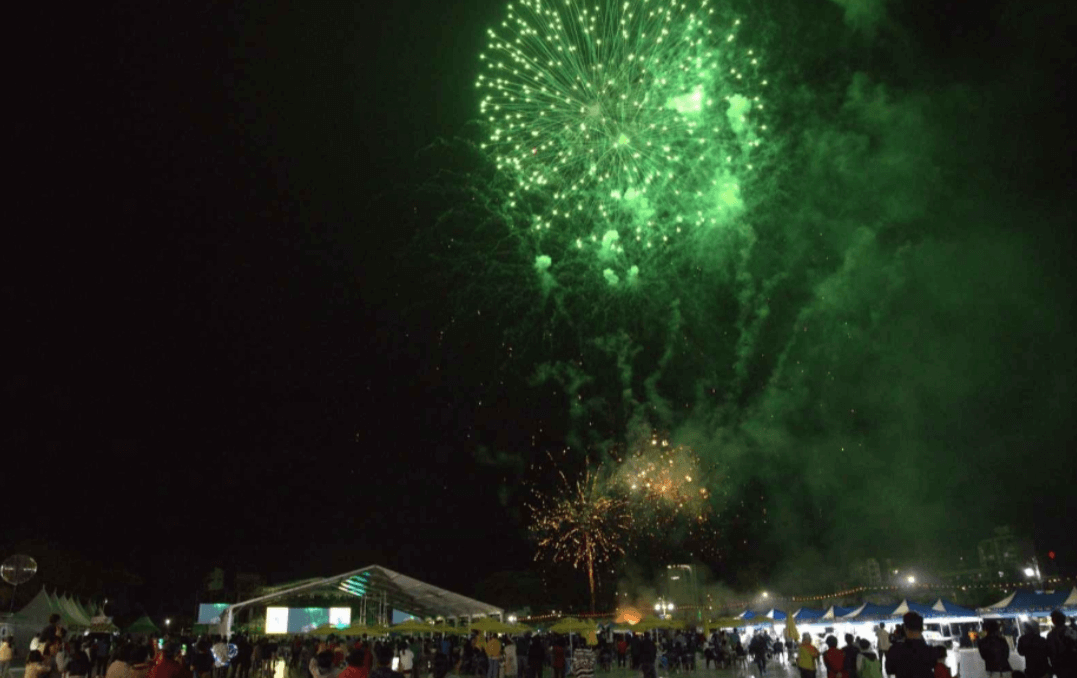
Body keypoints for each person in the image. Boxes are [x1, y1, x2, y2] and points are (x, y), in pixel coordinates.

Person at [886, 613, 935, 678]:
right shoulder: (930, 651)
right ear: (922, 629)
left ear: (905, 628)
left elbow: (889, 670)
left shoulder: (895, 650)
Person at [1046, 611, 1077, 678]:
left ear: (1054, 620)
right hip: (1073, 666)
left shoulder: (1051, 635)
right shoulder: (1072, 631)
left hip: (1060, 668)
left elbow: (1050, 652)